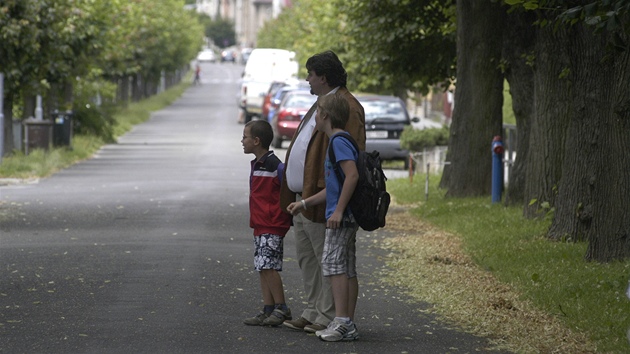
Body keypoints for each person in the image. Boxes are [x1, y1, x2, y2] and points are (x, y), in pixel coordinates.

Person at [279, 50, 365, 334]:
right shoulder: (323, 102)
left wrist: (335, 203)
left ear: (323, 77)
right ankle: (314, 309)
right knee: (309, 258)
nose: (307, 79)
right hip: (306, 197)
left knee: (329, 259)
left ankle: (330, 315)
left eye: (310, 74)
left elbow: (349, 163)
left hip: (324, 198)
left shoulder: (345, 106)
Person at [241, 120, 293, 326]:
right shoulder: (258, 164)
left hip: (272, 224)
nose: (242, 141)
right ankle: (268, 308)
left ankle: (282, 308)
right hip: (261, 223)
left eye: (245, 137)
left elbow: (288, 189)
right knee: (262, 266)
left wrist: (285, 214)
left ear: (256, 140)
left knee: (269, 266)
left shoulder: (274, 165)